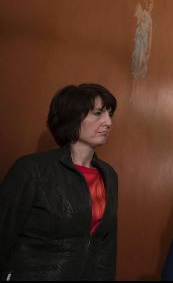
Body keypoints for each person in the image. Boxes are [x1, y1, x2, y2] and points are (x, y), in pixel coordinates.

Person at [0, 84, 119, 280]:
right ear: (73, 117)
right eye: (98, 113)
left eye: (110, 114)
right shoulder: (32, 169)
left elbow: (106, 247)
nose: (108, 122)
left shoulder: (109, 175)